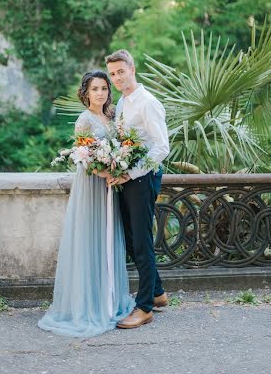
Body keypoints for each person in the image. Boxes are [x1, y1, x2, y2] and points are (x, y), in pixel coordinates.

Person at [38, 70, 134, 337]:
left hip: (111, 187)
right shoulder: (84, 120)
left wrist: (118, 165)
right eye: (95, 89)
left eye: (104, 88)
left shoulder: (113, 116)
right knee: (90, 239)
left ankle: (110, 299)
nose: (100, 93)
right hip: (92, 186)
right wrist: (106, 172)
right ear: (86, 93)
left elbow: (122, 146)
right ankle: (88, 305)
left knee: (109, 240)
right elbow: (83, 157)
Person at [105, 49, 170, 329]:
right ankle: (158, 293)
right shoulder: (121, 102)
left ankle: (144, 307)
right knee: (131, 238)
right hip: (128, 178)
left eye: (121, 71)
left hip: (143, 178)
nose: (117, 78)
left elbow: (161, 147)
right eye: (112, 74)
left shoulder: (147, 102)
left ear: (132, 69)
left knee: (141, 241)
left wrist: (131, 172)